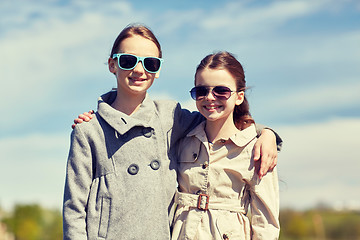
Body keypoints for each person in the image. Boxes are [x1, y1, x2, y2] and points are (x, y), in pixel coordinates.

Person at [63, 23, 281, 240]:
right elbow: (74, 208)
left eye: (150, 63)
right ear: (112, 64)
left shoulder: (170, 116)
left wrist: (267, 133)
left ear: (157, 71)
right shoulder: (89, 130)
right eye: (128, 61)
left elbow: (220, 119)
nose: (139, 70)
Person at [171, 51, 280, 240]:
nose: (210, 98)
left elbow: (266, 223)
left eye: (221, 91)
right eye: (201, 91)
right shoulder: (182, 141)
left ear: (239, 96)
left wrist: (267, 133)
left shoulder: (256, 149)